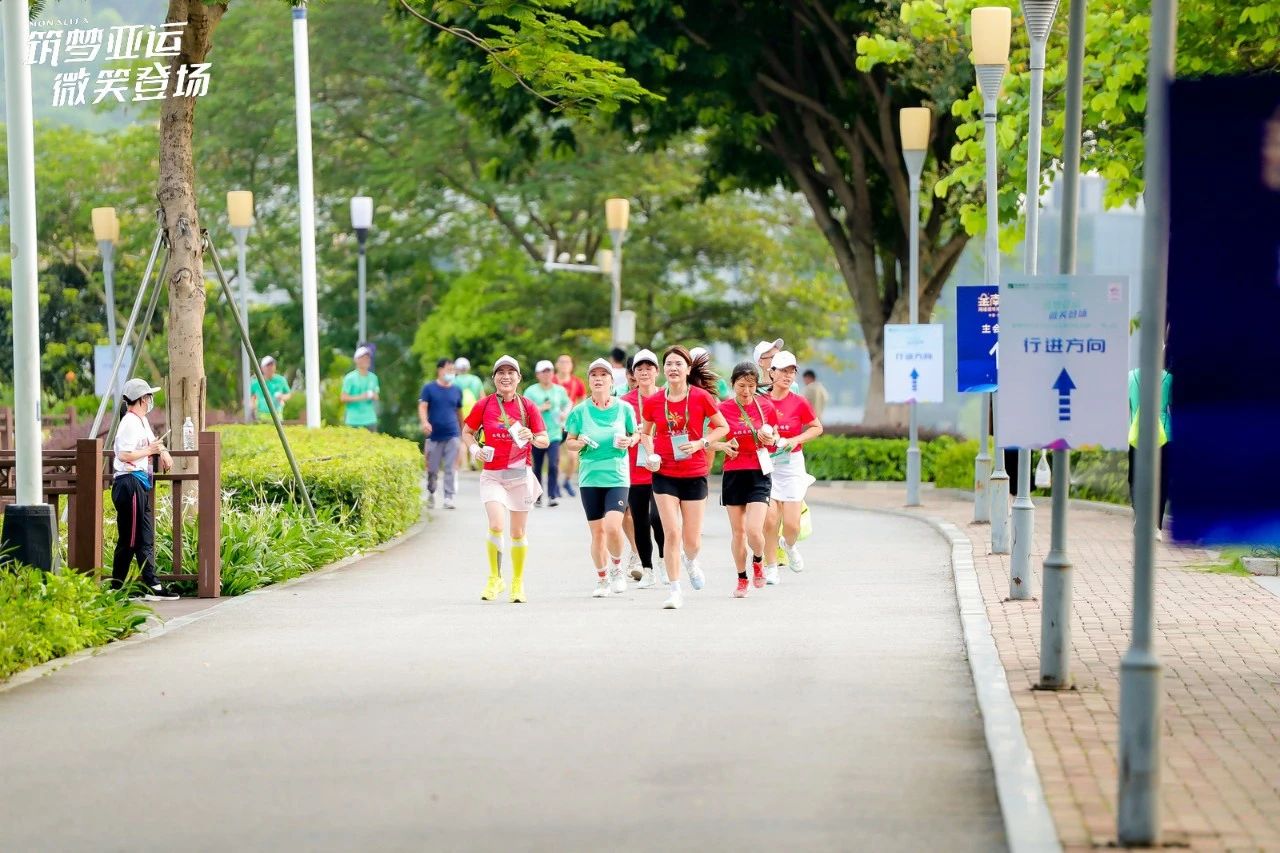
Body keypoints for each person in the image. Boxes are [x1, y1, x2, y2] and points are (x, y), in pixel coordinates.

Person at [640, 346, 730, 609]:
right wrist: (651, 453)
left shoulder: (701, 397)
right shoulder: (655, 401)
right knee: (671, 532)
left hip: (694, 473)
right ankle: (675, 590)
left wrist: (702, 442)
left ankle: (691, 561)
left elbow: (722, 426)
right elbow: (645, 433)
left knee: (691, 541)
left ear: (688, 369)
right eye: (669, 364)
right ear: (664, 369)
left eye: (678, 364)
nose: (673, 368)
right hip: (664, 473)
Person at [461, 356, 551, 603]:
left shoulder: (528, 407)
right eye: (501, 372)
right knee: (496, 524)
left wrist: (532, 436)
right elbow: (467, 432)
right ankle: (495, 578)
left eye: (511, 372)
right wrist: (474, 450)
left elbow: (545, 440)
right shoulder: (484, 405)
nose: (506, 376)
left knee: (518, 532)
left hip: (520, 476)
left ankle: (517, 583)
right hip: (493, 476)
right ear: (494, 378)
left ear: (519, 378)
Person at [564, 358, 639, 597]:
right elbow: (569, 442)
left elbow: (636, 434)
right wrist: (580, 442)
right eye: (594, 375)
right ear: (589, 381)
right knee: (597, 533)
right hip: (590, 478)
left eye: (603, 375)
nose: (598, 379)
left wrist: (629, 440)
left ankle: (617, 568)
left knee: (612, 527)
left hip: (617, 476)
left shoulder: (624, 408)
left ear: (611, 381)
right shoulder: (580, 411)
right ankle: (602, 579)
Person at [714, 362, 780, 597]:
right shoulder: (722, 409)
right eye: (741, 385)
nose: (746, 391)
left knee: (754, 530)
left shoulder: (766, 406)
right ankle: (742, 578)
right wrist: (723, 445)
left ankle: (759, 560)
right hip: (733, 473)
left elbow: (776, 438)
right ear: (733, 384)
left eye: (751, 386)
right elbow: (708, 440)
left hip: (759, 472)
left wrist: (770, 439)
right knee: (738, 533)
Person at [111, 378, 178, 600]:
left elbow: (154, 443)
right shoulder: (129, 422)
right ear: (141, 399)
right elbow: (124, 455)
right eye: (149, 396)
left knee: (145, 536)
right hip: (128, 483)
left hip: (140, 483)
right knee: (130, 538)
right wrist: (150, 451)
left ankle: (153, 585)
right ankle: (116, 587)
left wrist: (163, 452)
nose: (151, 400)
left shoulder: (142, 420)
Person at [763, 351, 824, 585]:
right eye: (783, 371)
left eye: (792, 371)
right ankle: (771, 567)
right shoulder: (761, 401)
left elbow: (816, 427)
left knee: (791, 525)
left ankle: (788, 546)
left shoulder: (799, 402)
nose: (788, 375)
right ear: (772, 373)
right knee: (770, 520)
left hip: (792, 465)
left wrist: (795, 439)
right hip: (767, 464)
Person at [621, 349, 666, 588]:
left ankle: (664, 562)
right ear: (633, 374)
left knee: (658, 518)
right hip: (635, 468)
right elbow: (617, 431)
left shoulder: (667, 397)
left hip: (663, 467)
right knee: (640, 520)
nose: (645, 372)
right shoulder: (624, 402)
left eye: (649, 368)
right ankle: (647, 569)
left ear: (657, 371)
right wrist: (632, 435)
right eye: (640, 369)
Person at [1128, 363, 1172, 539]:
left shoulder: (1131, 377)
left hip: (1137, 434)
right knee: (1162, 480)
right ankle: (1156, 526)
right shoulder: (1168, 378)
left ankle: (1140, 515)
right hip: (1163, 435)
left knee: (1135, 477)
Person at [525, 360, 571, 507]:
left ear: (553, 373)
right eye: (543, 371)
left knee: (553, 464)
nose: (546, 374)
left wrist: (565, 414)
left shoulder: (559, 390)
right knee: (537, 466)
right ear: (537, 374)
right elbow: (524, 410)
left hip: (555, 433)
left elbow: (568, 403)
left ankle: (552, 496)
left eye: (549, 371)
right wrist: (539, 408)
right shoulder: (531, 391)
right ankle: (537, 496)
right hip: (537, 434)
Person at [419, 357, 463, 509]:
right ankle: (431, 493)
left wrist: (463, 430)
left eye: (453, 370)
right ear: (440, 370)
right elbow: (423, 407)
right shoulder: (429, 388)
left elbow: (459, 411)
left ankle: (448, 497)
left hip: (452, 434)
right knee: (432, 469)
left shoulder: (457, 390)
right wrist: (425, 422)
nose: (451, 373)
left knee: (450, 468)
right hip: (434, 435)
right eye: (448, 369)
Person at [453, 356, 485, 481]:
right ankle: (473, 460)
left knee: (462, 437)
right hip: (474, 410)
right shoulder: (476, 380)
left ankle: (464, 465)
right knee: (474, 436)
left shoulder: (454, 381)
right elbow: (482, 397)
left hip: (460, 411)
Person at [340, 346, 380, 431]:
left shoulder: (373, 377)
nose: (366, 360)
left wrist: (372, 395)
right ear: (356, 360)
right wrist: (361, 396)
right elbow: (343, 398)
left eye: (367, 358)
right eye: (363, 358)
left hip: (370, 420)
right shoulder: (350, 378)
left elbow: (377, 396)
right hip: (353, 420)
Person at [249, 355, 291, 421]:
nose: (271, 367)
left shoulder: (281, 380)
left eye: (272, 365)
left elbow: (288, 394)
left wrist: (282, 397)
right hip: (261, 415)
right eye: (268, 365)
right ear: (262, 368)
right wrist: (252, 406)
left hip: (277, 414)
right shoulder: (255, 382)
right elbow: (251, 397)